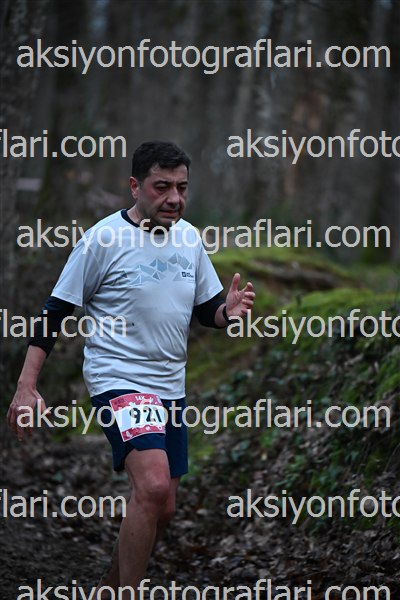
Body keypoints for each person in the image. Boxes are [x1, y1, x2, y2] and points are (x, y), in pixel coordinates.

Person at [7, 141, 255, 598]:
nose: (174, 198)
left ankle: (109, 586)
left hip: (170, 385)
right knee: (154, 486)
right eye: (162, 187)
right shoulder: (103, 239)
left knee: (164, 507)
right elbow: (55, 311)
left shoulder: (189, 239)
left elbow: (206, 310)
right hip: (118, 375)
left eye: (181, 188)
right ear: (135, 186)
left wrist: (228, 312)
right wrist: (26, 386)